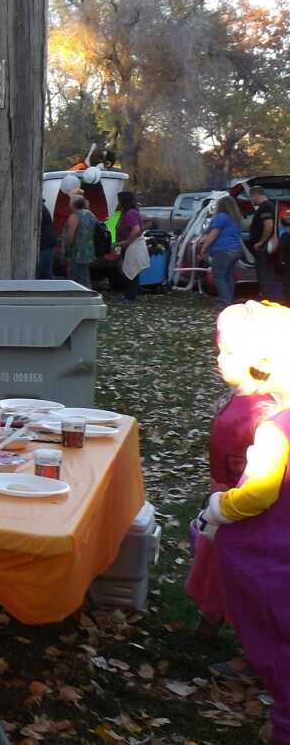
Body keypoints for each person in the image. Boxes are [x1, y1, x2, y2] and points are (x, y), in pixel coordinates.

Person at [197, 301, 290, 744]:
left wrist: (219, 508)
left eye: (229, 351)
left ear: (263, 363)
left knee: (277, 644)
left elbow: (258, 492)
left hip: (270, 558)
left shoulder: (274, 429)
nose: (220, 359)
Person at [187, 304, 278, 645]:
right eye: (220, 350)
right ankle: (210, 619)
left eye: (230, 353)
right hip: (222, 491)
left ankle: (239, 630)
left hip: (244, 503)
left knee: (234, 566)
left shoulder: (266, 412)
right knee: (213, 560)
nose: (220, 359)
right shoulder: (240, 396)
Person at [199, 196, 247, 309]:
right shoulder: (236, 218)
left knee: (219, 277)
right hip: (236, 249)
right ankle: (229, 299)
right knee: (228, 276)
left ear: (221, 206)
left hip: (223, 250)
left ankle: (225, 302)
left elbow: (214, 234)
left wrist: (204, 247)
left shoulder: (221, 216)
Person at [247, 187, 280, 303]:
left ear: (256, 195)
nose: (251, 200)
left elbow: (269, 225)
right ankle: (270, 296)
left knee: (264, 272)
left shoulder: (265, 207)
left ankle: (267, 298)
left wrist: (261, 242)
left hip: (264, 246)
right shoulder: (270, 206)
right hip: (268, 245)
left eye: (251, 197)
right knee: (268, 271)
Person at [114, 190, 147, 302]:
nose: (118, 203)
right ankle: (128, 294)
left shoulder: (131, 214)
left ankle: (130, 296)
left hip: (132, 246)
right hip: (128, 245)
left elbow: (136, 229)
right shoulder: (130, 212)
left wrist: (127, 242)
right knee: (128, 269)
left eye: (119, 201)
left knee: (132, 270)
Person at [62, 196, 97, 289]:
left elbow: (70, 236)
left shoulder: (74, 216)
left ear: (73, 204)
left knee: (75, 276)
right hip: (88, 249)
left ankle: (79, 293)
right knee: (84, 275)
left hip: (77, 251)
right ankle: (87, 290)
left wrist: (67, 249)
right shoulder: (90, 214)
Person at [38, 202, 60, 279]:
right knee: (46, 273)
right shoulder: (41, 206)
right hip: (48, 243)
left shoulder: (39, 207)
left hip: (45, 244)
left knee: (44, 273)